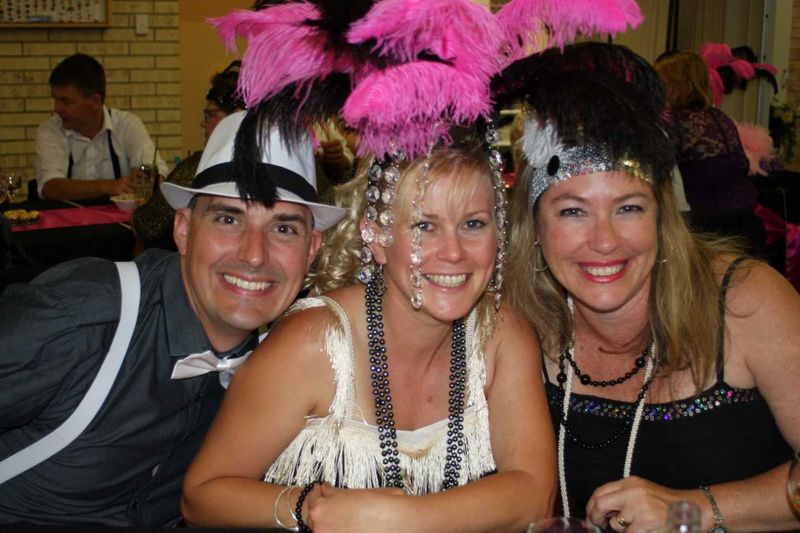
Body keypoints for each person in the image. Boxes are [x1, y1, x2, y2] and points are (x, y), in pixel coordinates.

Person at [181, 1, 556, 531]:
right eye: (424, 225)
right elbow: (202, 496)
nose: (454, 253)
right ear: (376, 236)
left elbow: (535, 496)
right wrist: (309, 509)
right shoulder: (315, 343)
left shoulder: (501, 335)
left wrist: (399, 516)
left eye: (473, 224)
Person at [503, 42, 800, 532]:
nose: (604, 241)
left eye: (629, 208)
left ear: (662, 217)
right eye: (573, 211)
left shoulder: (745, 303)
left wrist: (691, 511)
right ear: (534, 226)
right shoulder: (516, 323)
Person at [0, 111, 345, 526]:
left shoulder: (289, 360)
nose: (254, 255)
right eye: (229, 219)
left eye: (283, 229)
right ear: (183, 229)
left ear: (312, 249)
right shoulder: (83, 316)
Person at [654, 50, 766, 255]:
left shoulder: (673, 124)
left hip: (704, 229)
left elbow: (663, 179)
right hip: (744, 221)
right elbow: (742, 166)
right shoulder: (719, 117)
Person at [132, 61, 245, 251]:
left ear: (236, 116)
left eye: (210, 115)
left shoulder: (201, 165)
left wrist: (137, 212)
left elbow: (149, 226)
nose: (203, 123)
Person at [34, 53, 168, 201]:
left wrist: (148, 179)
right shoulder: (50, 130)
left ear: (95, 101)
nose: (57, 108)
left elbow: (158, 174)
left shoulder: (127, 125)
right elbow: (50, 187)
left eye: (66, 102)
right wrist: (109, 186)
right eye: (55, 99)